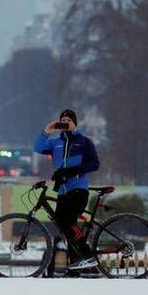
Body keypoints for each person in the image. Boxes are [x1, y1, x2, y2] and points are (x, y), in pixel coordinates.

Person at [33, 109, 100, 274]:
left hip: (78, 189)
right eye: (62, 119)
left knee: (67, 222)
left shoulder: (84, 142)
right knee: (63, 224)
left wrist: (74, 171)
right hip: (62, 192)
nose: (65, 122)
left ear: (75, 123)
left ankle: (85, 253)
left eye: (69, 120)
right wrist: (47, 130)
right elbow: (38, 147)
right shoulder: (55, 142)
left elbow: (95, 164)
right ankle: (76, 261)